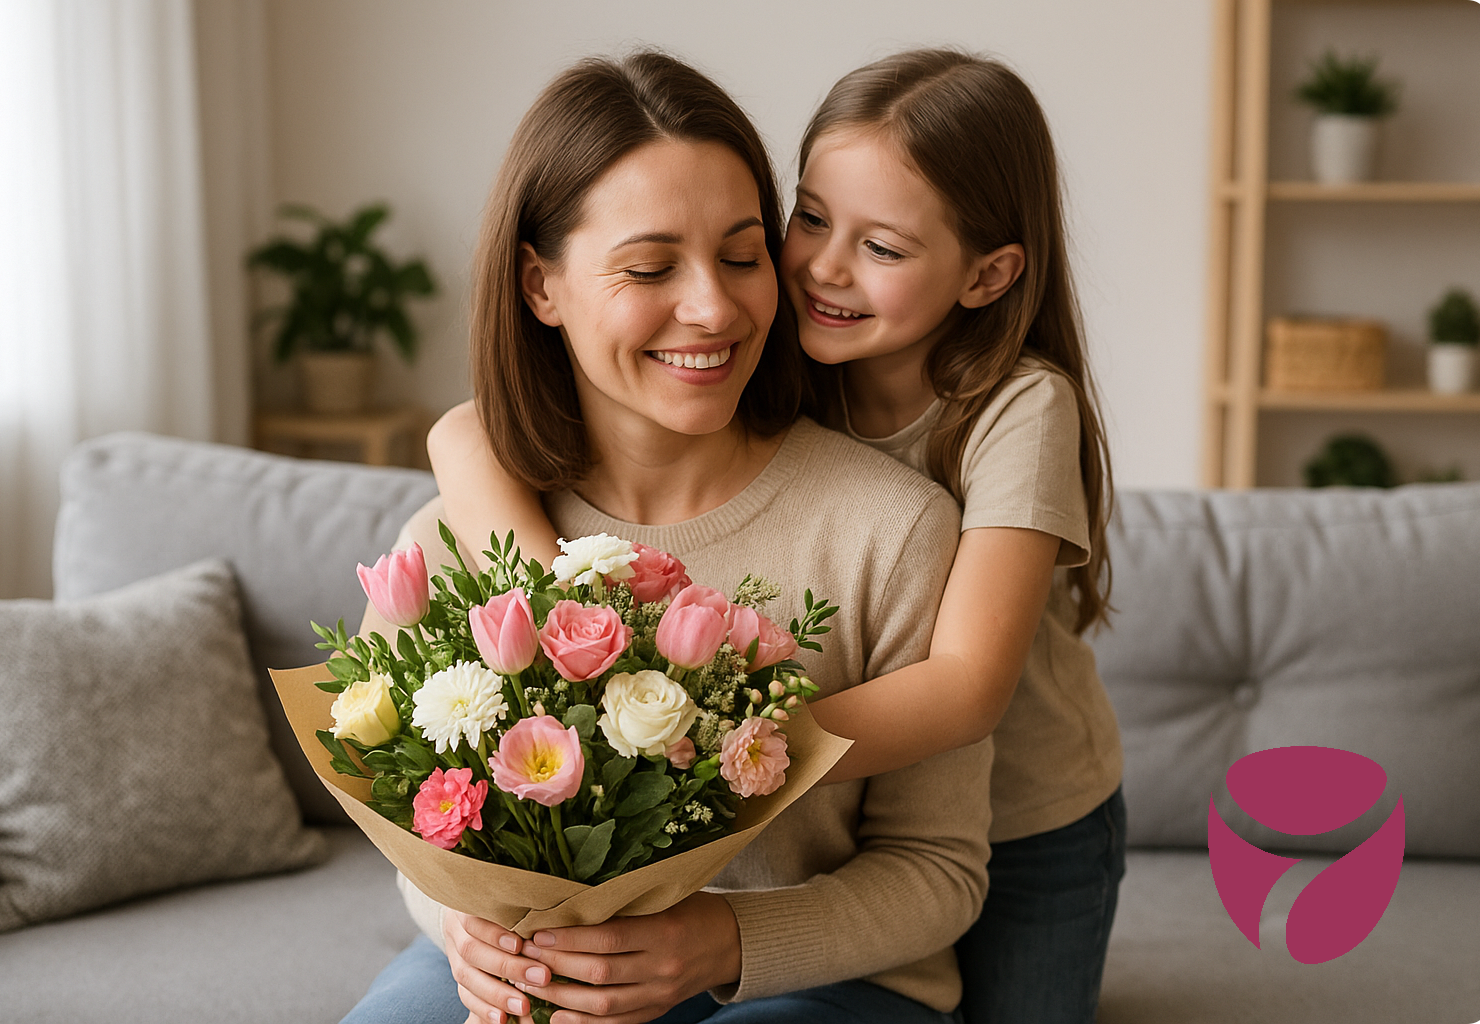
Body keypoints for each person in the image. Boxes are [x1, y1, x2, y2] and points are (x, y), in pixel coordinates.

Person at [431, 49, 1128, 1024]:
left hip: (1034, 808)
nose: (822, 269)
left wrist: (720, 745)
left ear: (989, 275)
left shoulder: (1017, 408)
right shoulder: (799, 347)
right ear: (541, 285)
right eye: (807, 221)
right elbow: (475, 430)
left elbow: (968, 686)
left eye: (882, 247)